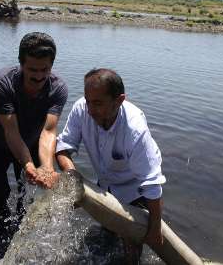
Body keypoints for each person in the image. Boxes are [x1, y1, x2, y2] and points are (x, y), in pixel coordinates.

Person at [56, 68, 166, 264]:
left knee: (131, 249)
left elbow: (151, 183)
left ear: (119, 100)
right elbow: (63, 148)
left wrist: (155, 228)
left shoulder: (134, 129)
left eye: (97, 103)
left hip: (135, 190)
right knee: (106, 234)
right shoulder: (82, 109)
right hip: (105, 186)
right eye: (88, 101)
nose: (90, 110)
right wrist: (74, 181)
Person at [0, 32, 68, 223]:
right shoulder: (2, 83)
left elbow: (49, 130)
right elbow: (11, 131)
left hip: (36, 144)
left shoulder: (58, 88)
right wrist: (27, 164)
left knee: (31, 202)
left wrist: (46, 167)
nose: (38, 77)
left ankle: (22, 227)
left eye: (45, 70)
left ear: (51, 65)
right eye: (32, 70)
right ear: (21, 64)